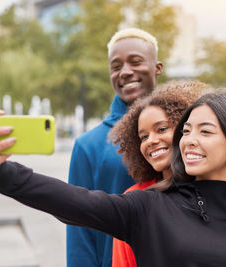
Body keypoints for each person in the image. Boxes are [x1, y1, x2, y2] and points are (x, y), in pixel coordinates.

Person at [0, 88, 226, 266]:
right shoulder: (148, 208)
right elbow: (72, 200)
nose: (189, 140)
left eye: (205, 131)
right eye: (187, 130)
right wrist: (1, 172)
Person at [66, 28, 163, 267]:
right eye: (116, 66)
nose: (125, 72)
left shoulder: (185, 130)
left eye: (136, 62)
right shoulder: (88, 145)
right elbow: (79, 230)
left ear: (157, 68)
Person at [109, 80, 208, 267]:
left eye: (162, 129)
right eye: (143, 137)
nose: (150, 141)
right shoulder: (135, 201)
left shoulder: (217, 192)